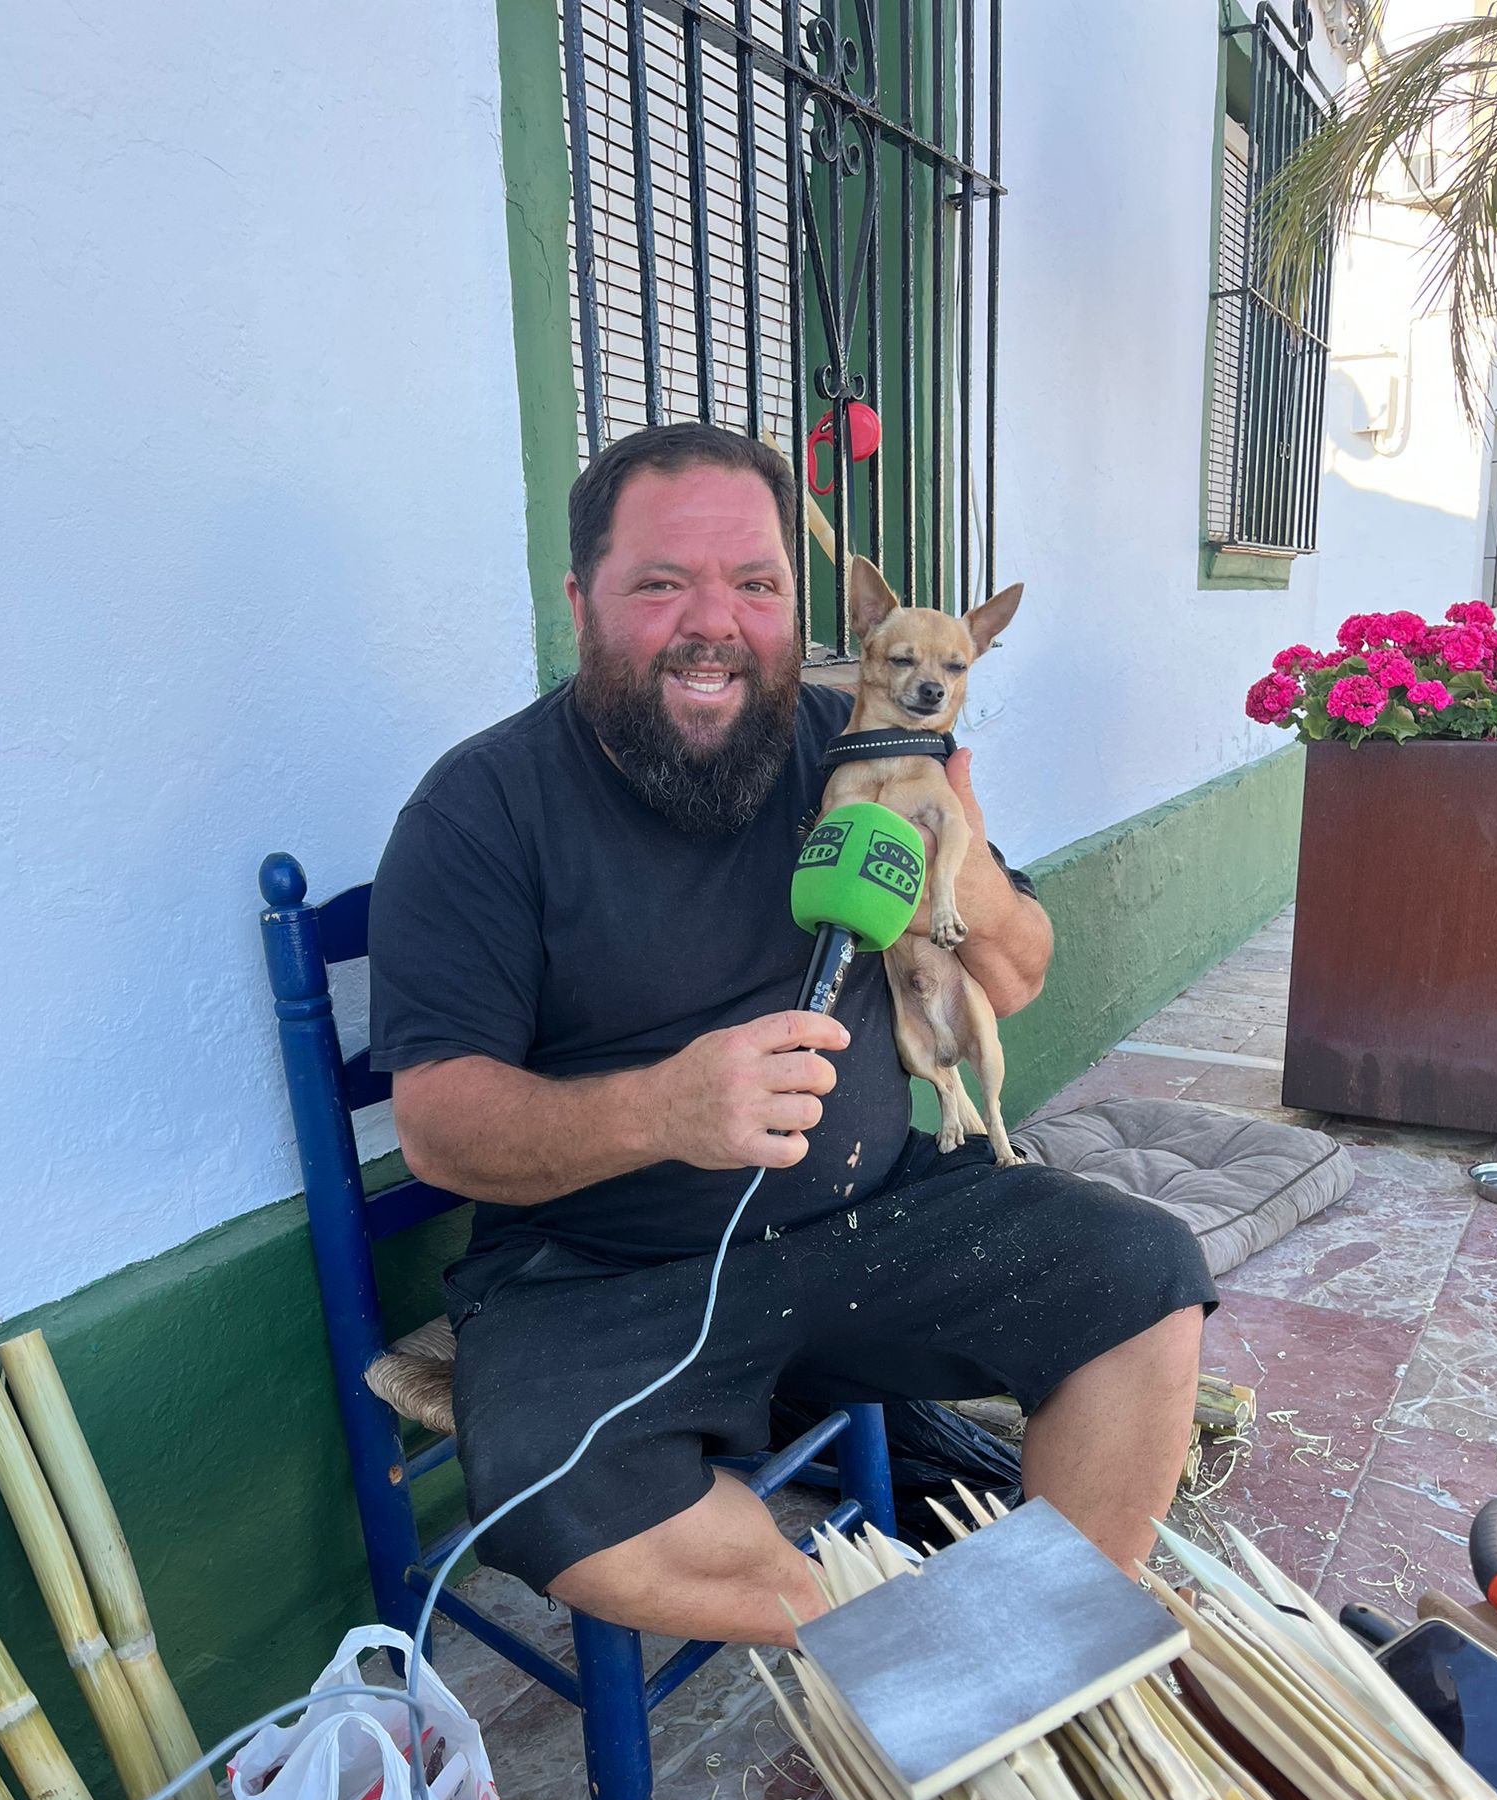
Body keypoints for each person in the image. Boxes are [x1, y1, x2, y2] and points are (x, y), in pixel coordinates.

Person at [368, 422, 1215, 1649]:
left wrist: (949, 841)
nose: (717, 623)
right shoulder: (482, 808)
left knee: (1146, 1278)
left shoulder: (856, 739)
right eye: (663, 583)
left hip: (877, 1215)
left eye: (757, 586)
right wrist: (664, 1107)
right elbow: (439, 1125)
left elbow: (1017, 977)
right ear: (579, 599)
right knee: (565, 1496)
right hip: (604, 1274)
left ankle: (1045, 1644)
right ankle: (903, 1646)